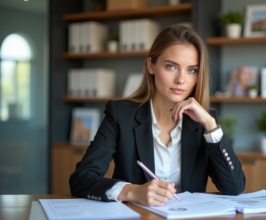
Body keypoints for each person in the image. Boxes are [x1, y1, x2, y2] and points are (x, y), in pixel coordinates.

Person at [69, 25, 245, 206]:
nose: (181, 80)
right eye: (171, 67)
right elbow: (81, 179)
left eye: (191, 70)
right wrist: (131, 191)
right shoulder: (120, 115)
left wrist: (210, 125)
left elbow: (234, 187)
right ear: (151, 66)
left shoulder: (204, 123)